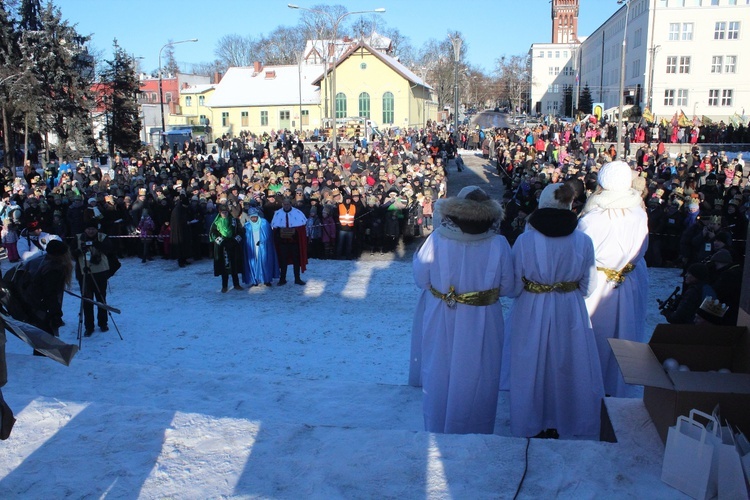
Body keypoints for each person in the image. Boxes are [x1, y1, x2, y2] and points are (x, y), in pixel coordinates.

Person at [503, 183, 603, 438]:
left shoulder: (525, 240)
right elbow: (589, 285)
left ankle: (529, 419)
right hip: (568, 307)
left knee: (531, 363)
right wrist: (566, 292)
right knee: (567, 361)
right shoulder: (583, 240)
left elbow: (514, 286)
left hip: (531, 307)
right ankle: (565, 417)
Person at [410, 186, 514, 434]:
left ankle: (437, 424)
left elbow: (421, 280)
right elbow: (509, 287)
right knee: (479, 370)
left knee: (439, 367)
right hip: (484, 317)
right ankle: (475, 427)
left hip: (441, 312)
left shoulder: (436, 239)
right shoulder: (499, 243)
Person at [579, 160, 649, 397]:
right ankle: (616, 388)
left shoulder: (591, 219)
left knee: (594, 338)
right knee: (623, 335)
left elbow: (580, 255)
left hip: (596, 286)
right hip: (628, 284)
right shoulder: (639, 214)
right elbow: (642, 250)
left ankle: (590, 387)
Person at [20, 239, 73, 339]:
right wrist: (56, 314)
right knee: (44, 338)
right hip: (40, 307)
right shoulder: (53, 269)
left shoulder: (41, 260)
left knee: (41, 336)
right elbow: (50, 294)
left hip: (32, 303)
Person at [72, 222, 114, 337]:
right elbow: (71, 253)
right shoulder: (78, 237)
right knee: (87, 299)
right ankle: (89, 326)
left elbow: (109, 249)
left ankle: (103, 323)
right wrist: (80, 251)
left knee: (101, 298)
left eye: (93, 229)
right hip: (84, 272)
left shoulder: (103, 237)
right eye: (88, 229)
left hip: (100, 272)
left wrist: (96, 244)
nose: (91, 231)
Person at [271, 197, 308, 286]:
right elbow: (274, 228)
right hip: (283, 242)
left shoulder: (297, 213)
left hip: (294, 242)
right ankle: (282, 279)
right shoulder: (278, 213)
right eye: (285, 204)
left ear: (290, 204)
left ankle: (297, 279)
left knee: (296, 260)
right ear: (282, 204)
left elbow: (302, 228)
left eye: (288, 204)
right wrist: (280, 233)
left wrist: (295, 232)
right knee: (283, 261)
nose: (286, 206)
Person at [209, 204, 244, 293]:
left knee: (234, 265)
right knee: (224, 266)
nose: (224, 214)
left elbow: (240, 231)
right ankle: (224, 286)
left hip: (233, 245)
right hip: (222, 247)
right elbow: (213, 234)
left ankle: (236, 284)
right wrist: (221, 241)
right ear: (220, 213)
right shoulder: (216, 222)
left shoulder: (234, 220)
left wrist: (235, 240)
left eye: (226, 212)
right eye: (222, 212)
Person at [242, 207, 278, 287]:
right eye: (252, 217)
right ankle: (254, 280)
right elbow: (245, 237)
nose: (254, 219)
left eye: (255, 217)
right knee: (252, 262)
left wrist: (263, 241)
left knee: (265, 261)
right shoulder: (247, 225)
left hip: (263, 246)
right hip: (252, 246)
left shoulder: (264, 223)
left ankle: (266, 279)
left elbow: (269, 235)